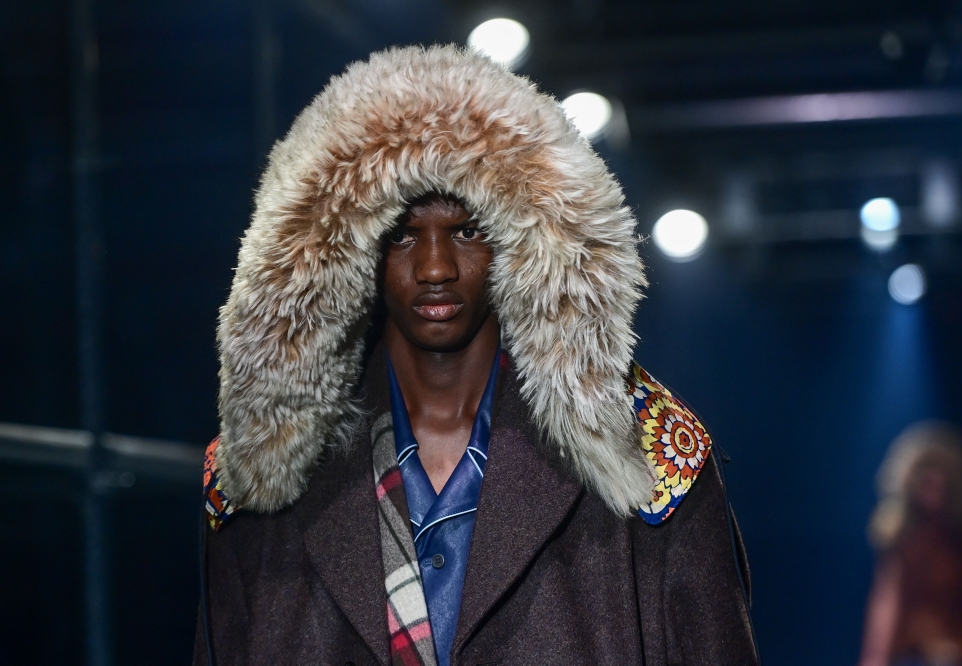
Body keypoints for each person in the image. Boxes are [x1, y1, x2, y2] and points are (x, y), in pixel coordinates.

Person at [196, 45, 757, 666]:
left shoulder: (651, 456)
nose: (435, 267)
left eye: (467, 231)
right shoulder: (257, 478)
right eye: (401, 234)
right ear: (343, 252)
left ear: (528, 238)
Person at [859, 422, 962, 666]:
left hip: (958, 654)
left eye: (940, 483)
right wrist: (874, 656)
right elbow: (887, 597)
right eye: (926, 483)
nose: (933, 492)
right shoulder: (899, 531)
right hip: (908, 655)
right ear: (911, 483)